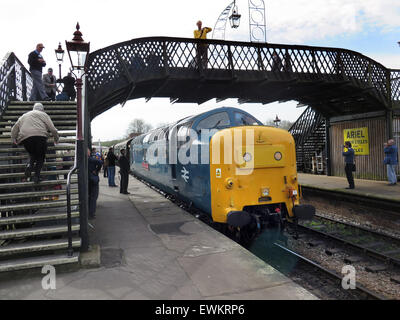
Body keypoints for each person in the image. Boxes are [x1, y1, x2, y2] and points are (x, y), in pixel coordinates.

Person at [11, 103, 59, 183]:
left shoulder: (24, 116)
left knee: (32, 154)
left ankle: (29, 165)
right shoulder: (44, 114)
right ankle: (36, 177)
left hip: (25, 138)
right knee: (40, 157)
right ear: (42, 109)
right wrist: (56, 139)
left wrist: (14, 138)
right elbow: (53, 129)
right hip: (40, 136)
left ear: (33, 108)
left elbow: (14, 128)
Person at [88, 148, 103, 219]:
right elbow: (100, 162)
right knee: (93, 197)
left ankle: (89, 212)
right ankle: (91, 213)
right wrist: (97, 170)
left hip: (87, 180)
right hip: (93, 180)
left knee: (89, 197)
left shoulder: (81, 160)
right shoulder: (90, 159)